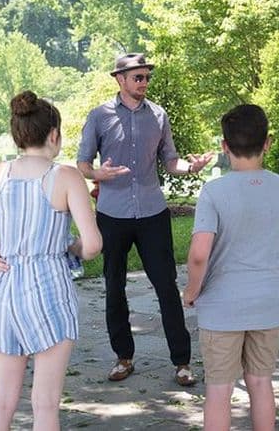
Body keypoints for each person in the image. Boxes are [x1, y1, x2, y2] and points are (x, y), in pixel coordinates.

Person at [0, 90, 102, 431]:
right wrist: (70, 246)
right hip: (50, 289)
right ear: (54, 135)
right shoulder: (66, 177)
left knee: (1, 402)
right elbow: (93, 245)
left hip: (7, 287)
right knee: (44, 406)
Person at [77, 52, 213, 386]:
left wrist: (190, 168)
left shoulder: (159, 116)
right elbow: (82, 164)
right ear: (120, 80)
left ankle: (182, 362)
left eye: (147, 77)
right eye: (138, 77)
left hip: (153, 212)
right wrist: (98, 174)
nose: (144, 83)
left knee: (167, 287)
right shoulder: (99, 116)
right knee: (114, 287)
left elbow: (170, 161)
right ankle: (123, 358)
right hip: (113, 214)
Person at [182, 104, 279, 431]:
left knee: (219, 391)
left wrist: (191, 292)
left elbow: (199, 255)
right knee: (261, 383)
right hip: (267, 302)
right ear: (268, 143)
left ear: (224, 146)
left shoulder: (214, 191)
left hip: (222, 308)